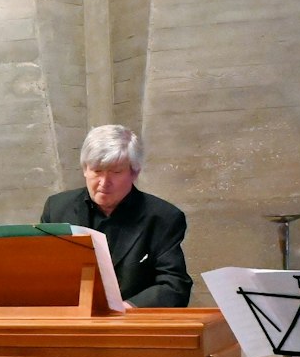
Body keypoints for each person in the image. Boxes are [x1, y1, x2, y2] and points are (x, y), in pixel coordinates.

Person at [39, 124, 192, 307]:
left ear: (134, 172)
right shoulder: (57, 208)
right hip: (70, 317)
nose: (104, 182)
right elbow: (42, 273)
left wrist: (126, 309)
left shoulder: (163, 217)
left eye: (116, 172)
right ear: (85, 169)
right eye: (97, 171)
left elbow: (175, 285)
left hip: (131, 320)